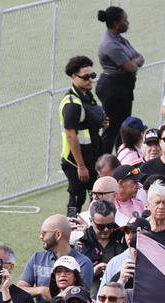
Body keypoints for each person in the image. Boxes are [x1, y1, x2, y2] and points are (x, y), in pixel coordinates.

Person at [60, 56, 106, 215]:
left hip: (92, 158)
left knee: (98, 198)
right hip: (76, 162)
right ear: (73, 77)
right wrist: (81, 166)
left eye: (92, 76)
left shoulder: (87, 96)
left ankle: (94, 229)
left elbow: (87, 123)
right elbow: (71, 135)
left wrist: (101, 123)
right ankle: (71, 233)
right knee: (77, 200)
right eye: (85, 77)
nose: (90, 80)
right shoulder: (72, 104)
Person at [95, 6, 143, 154]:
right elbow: (131, 67)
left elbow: (140, 57)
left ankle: (121, 158)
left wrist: (132, 62)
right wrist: (132, 63)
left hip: (123, 88)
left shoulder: (120, 40)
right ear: (116, 24)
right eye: (125, 20)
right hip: (112, 89)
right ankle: (103, 163)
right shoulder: (110, 44)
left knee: (123, 127)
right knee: (112, 129)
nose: (127, 22)